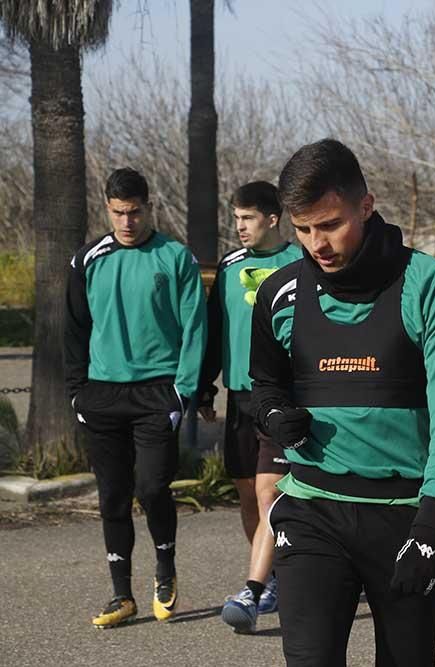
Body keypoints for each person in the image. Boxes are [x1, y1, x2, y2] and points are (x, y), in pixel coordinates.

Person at [249, 139, 435, 666]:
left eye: (329, 225)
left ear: (366, 206)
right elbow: (264, 387)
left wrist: (430, 528)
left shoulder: (431, 288)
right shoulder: (280, 292)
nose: (316, 244)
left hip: (401, 519)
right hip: (310, 510)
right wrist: (274, 415)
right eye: (303, 229)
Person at [65, 168, 207, 628]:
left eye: (135, 212)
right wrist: (77, 393)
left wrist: (183, 393)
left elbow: (194, 330)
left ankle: (165, 571)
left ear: (150, 206)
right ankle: (120, 594)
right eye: (118, 213)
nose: (127, 222)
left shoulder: (175, 257)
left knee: (150, 487)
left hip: (157, 393)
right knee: (112, 496)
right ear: (106, 208)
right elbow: (74, 329)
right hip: (101, 394)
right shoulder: (88, 259)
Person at [196, 182, 301, 633]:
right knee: (248, 498)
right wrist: (204, 387)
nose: (239, 226)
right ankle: (274, 575)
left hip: (279, 396)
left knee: (268, 495)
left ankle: (257, 586)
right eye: (236, 218)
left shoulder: (301, 262)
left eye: (247, 218)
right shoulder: (230, 265)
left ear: (273, 218)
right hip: (238, 397)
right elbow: (214, 329)